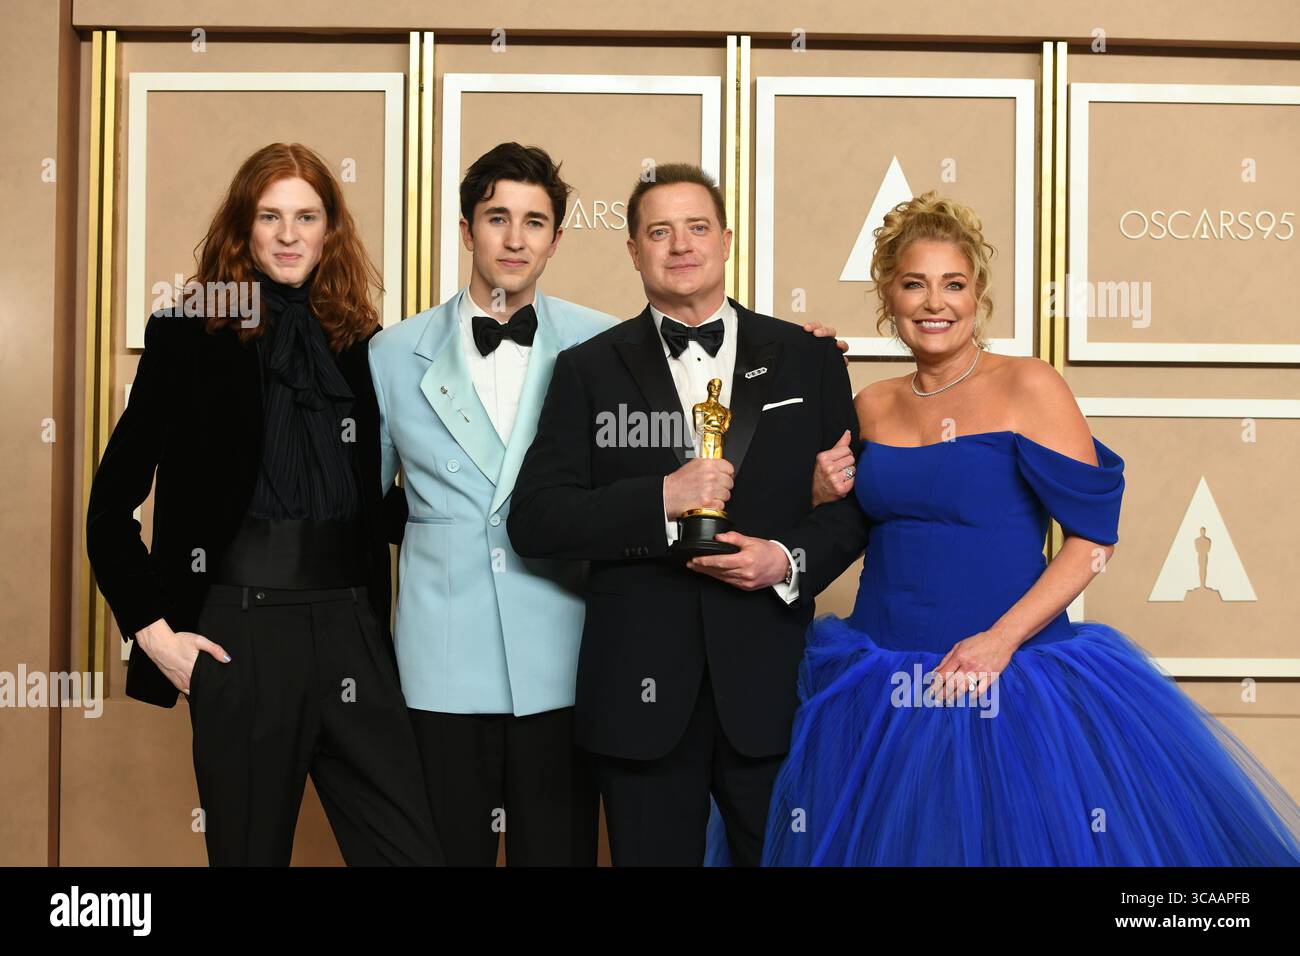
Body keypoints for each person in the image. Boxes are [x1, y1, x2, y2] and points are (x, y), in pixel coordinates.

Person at [762, 191, 1300, 865]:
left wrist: (997, 642)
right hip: (877, 681)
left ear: (978, 293)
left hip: (1006, 676)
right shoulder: (871, 403)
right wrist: (816, 474)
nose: (935, 303)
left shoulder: (1029, 387)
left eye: (953, 284)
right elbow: (841, 524)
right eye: (914, 285)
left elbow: (1093, 540)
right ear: (887, 297)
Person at [86, 143, 443, 866]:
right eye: (270, 215)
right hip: (238, 634)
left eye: (306, 216)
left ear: (329, 230)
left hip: (352, 626)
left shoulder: (362, 346)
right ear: (243, 227)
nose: (288, 234)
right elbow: (108, 510)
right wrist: (155, 635)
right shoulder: (187, 335)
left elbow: (378, 507)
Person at [507, 163, 871, 865]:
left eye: (697, 228)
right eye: (659, 232)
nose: (681, 246)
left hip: (772, 687)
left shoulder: (808, 358)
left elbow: (851, 508)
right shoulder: (588, 369)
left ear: (727, 240)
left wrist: (785, 560)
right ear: (634, 251)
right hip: (637, 696)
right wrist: (658, 499)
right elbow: (538, 518)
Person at [368, 143, 613, 865]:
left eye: (534, 222)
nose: (515, 238)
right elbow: (361, 503)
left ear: (556, 239)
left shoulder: (603, 344)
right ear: (467, 228)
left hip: (565, 657)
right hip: (439, 663)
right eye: (497, 217)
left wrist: (801, 352)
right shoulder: (391, 353)